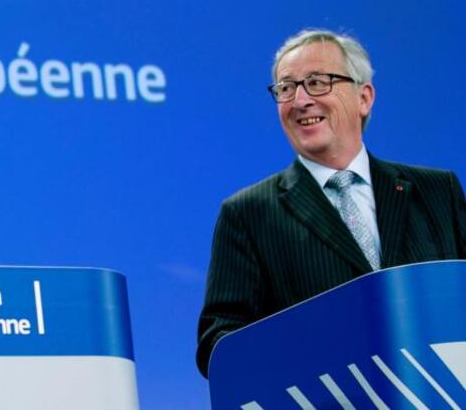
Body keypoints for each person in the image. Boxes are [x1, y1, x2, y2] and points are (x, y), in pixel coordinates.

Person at [196, 29, 466, 377]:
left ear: (364, 98)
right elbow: (219, 342)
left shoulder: (437, 191)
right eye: (285, 88)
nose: (299, 100)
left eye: (317, 82)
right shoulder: (248, 214)